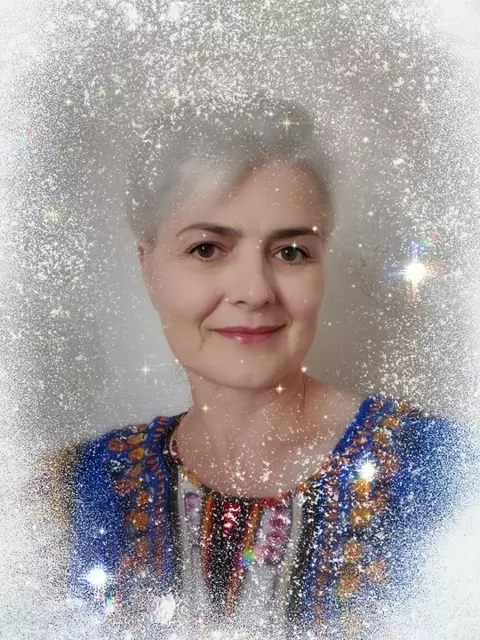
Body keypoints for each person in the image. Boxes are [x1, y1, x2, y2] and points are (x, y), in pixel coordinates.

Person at [63, 92, 463, 639]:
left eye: (291, 252)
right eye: (207, 249)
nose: (254, 291)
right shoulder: (73, 496)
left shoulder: (445, 476)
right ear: (148, 267)